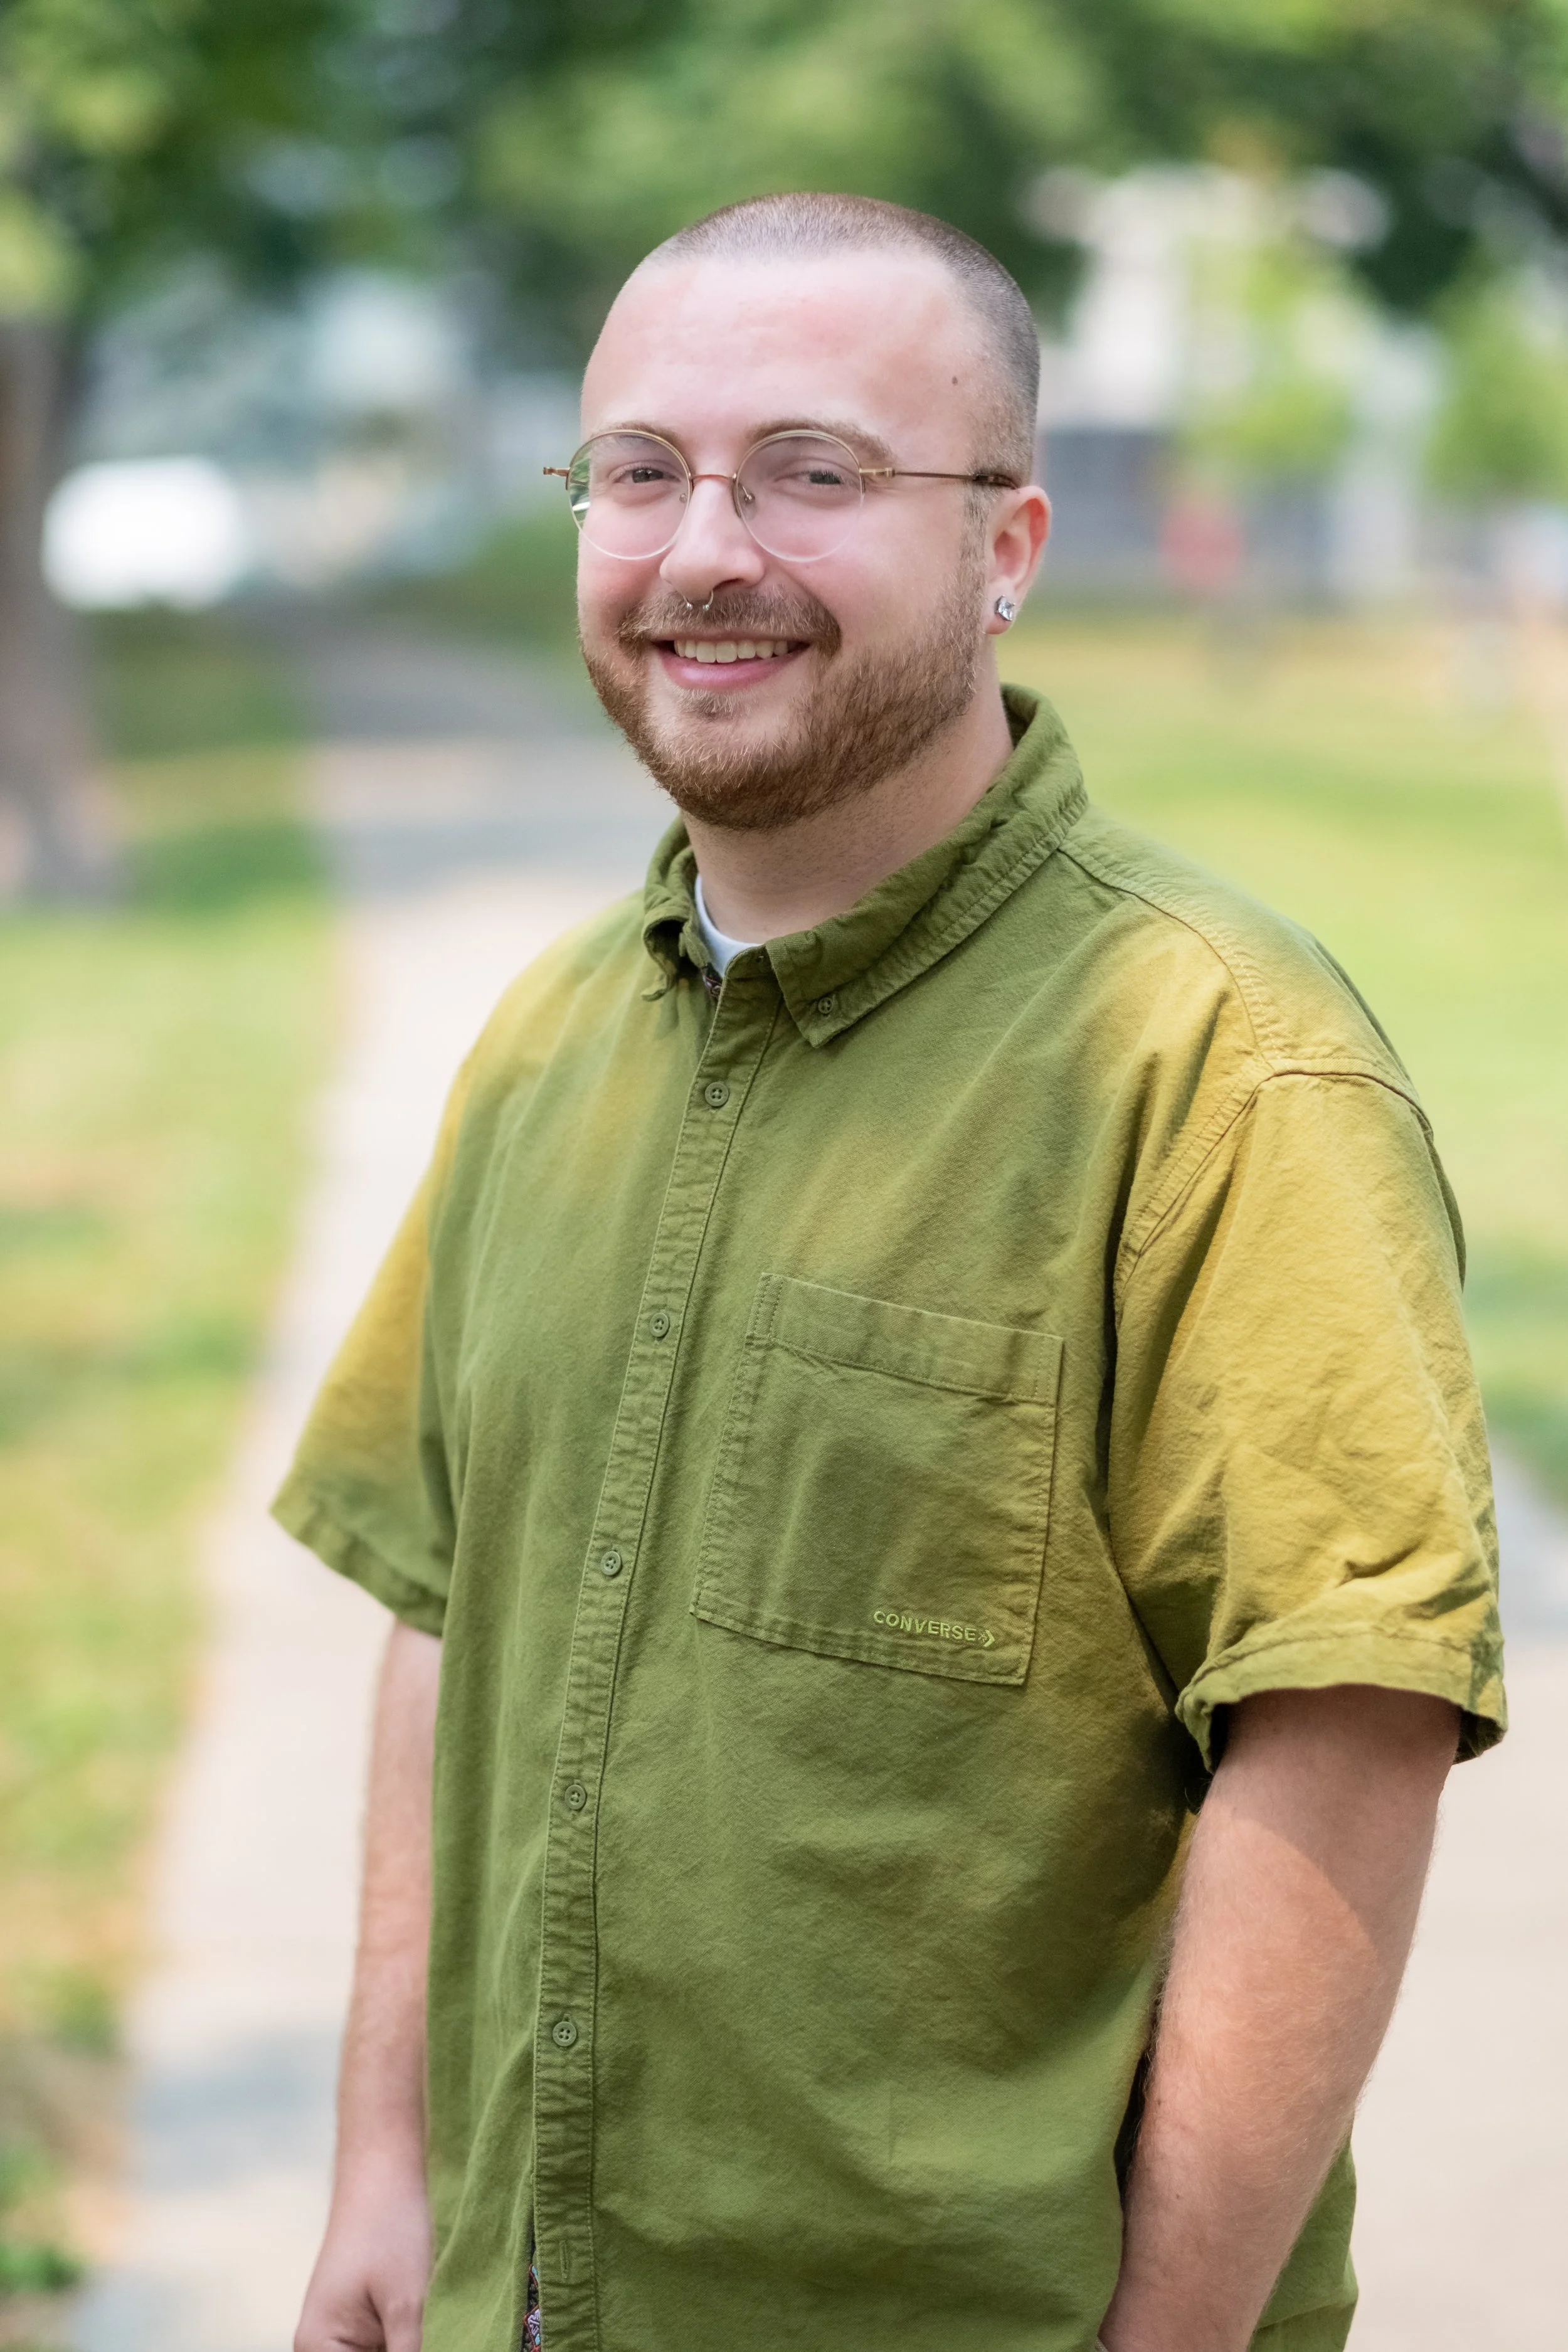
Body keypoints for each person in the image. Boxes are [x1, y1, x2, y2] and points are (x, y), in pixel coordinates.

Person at [277, 194, 1503, 2352]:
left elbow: (1340, 1735)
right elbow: (440, 1605)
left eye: (812, 472)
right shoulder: (549, 1033)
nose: (701, 549)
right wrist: (386, 2171)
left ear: (1006, 543)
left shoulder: (1211, 1055)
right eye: (639, 470)